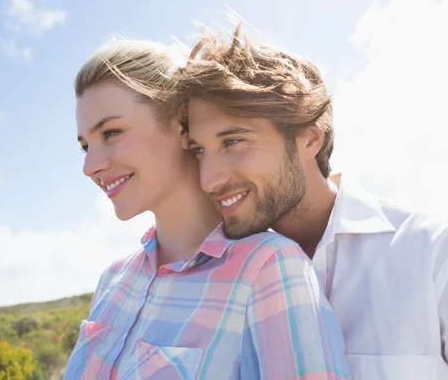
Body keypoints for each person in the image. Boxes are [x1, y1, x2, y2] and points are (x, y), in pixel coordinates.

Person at [174, 23, 448, 379]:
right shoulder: (225, 286)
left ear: (308, 138)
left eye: (233, 141)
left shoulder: (441, 252)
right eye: (199, 151)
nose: (209, 179)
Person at [63, 39, 350, 379]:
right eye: (85, 147)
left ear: (183, 126)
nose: (90, 166)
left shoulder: (269, 269)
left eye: (111, 132)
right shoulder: (114, 279)